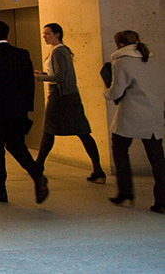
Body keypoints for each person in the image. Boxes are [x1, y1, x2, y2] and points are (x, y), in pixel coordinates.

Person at [0, 20, 49, 204]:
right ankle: (37, 174)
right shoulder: (22, 54)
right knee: (17, 145)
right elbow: (29, 84)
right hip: (17, 110)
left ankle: (0, 190)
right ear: (8, 34)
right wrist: (27, 107)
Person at [34, 23, 106, 183]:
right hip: (68, 96)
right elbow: (60, 75)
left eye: (47, 34)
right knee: (81, 132)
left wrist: (41, 78)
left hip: (60, 96)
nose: (44, 37)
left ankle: (38, 165)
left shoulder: (58, 51)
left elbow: (59, 77)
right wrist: (45, 74)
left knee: (49, 131)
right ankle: (98, 169)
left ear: (57, 34)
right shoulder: (61, 50)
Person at [103, 30, 165, 213]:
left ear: (120, 45)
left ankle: (125, 191)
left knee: (120, 150)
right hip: (153, 114)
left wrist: (105, 92)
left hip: (131, 114)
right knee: (157, 158)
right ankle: (161, 199)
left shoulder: (122, 62)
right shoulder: (154, 61)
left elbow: (116, 91)